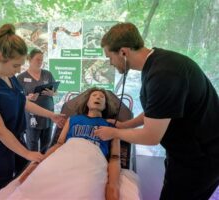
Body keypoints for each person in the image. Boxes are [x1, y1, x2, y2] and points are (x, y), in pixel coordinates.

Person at [94, 22, 219, 200]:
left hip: (201, 158)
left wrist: (114, 132)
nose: (110, 63)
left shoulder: (165, 73)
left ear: (123, 52)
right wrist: (124, 125)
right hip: (183, 152)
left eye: (109, 57)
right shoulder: (156, 64)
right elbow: (157, 111)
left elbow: (151, 137)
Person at [0, 24, 65, 200]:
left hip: (18, 140)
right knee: (1, 192)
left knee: (23, 185)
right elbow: (0, 131)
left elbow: (23, 103)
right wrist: (28, 153)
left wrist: (51, 115)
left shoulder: (9, 76)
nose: (19, 70)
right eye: (16, 65)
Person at [0, 88, 141, 200]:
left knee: (83, 191)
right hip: (65, 155)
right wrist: (37, 165)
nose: (98, 97)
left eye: (102, 97)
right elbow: (58, 144)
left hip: (91, 161)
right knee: (39, 183)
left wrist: (113, 185)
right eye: (94, 95)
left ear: (105, 106)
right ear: (87, 102)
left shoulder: (112, 126)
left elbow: (115, 157)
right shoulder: (73, 119)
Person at [17, 48, 56, 153]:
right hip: (32, 117)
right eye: (37, 60)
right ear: (30, 60)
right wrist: (27, 98)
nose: (40, 62)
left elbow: (55, 92)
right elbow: (17, 98)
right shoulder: (21, 78)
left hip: (48, 115)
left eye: (41, 60)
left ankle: (44, 167)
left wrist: (52, 93)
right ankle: (32, 167)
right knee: (32, 145)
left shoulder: (47, 74)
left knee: (46, 145)